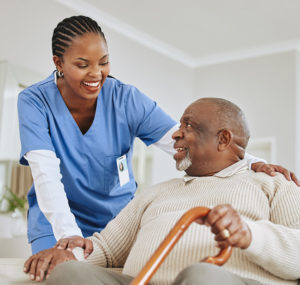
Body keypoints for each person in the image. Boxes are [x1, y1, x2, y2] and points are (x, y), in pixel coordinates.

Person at [18, 15, 298, 256]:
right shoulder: (34, 102)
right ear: (59, 62)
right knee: (60, 273)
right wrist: (68, 234)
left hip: (117, 223)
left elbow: (185, 141)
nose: (96, 74)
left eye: (103, 62)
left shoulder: (126, 100)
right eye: (82, 65)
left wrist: (250, 162)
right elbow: (46, 174)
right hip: (56, 222)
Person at [24, 98, 300, 285]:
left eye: (188, 126)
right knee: (70, 273)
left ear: (223, 139)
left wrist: (251, 235)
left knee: (204, 275)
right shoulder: (157, 193)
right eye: (179, 126)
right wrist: (67, 255)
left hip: (218, 280)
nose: (175, 135)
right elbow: (107, 249)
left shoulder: (273, 183)